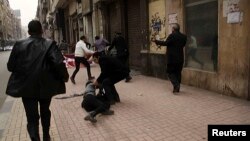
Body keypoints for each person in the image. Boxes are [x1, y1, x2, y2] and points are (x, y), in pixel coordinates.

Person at [6, 20, 69, 141]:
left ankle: (35, 138)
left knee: (31, 117)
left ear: (29, 31)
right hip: (46, 86)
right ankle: (46, 136)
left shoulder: (19, 44)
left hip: (26, 87)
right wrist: (64, 77)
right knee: (45, 111)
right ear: (41, 31)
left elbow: (10, 67)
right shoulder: (50, 44)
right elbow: (58, 63)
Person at [152, 23, 187, 93]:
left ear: (173, 29)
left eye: (172, 28)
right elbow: (183, 45)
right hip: (180, 58)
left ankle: (176, 85)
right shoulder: (184, 36)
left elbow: (165, 43)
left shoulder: (172, 36)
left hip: (172, 59)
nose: (171, 29)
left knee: (170, 72)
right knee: (178, 72)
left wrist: (156, 41)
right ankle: (177, 88)